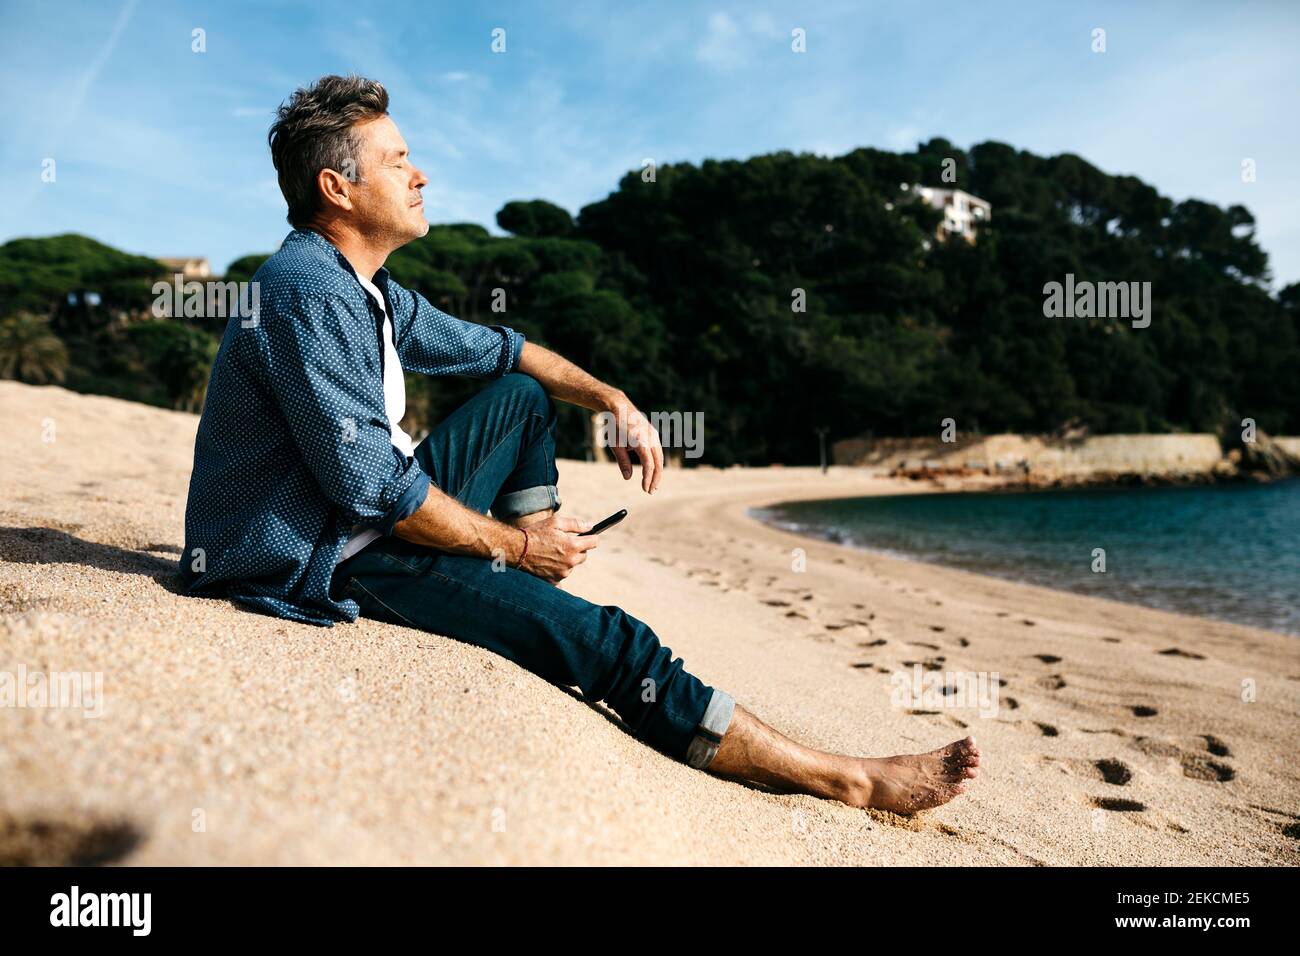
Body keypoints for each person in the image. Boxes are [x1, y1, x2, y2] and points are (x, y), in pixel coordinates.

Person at [178, 75, 979, 813]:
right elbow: (373, 491)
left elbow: (506, 352)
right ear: (338, 188)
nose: (419, 176)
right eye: (399, 161)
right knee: (614, 642)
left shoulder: (368, 287)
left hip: (354, 513)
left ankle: (538, 582)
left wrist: (614, 399)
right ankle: (851, 780)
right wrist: (516, 550)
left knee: (522, 398)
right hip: (325, 553)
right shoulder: (308, 293)